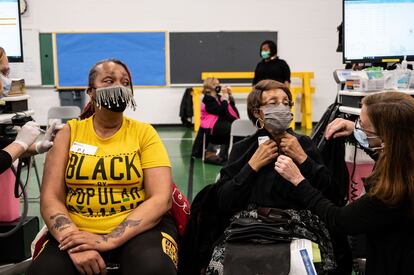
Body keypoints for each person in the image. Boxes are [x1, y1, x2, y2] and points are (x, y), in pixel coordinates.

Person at [27, 59, 178, 275]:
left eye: (125, 83)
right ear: (92, 92)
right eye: (109, 81)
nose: (119, 87)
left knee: (153, 268)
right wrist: (73, 242)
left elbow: (161, 198)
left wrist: (107, 240)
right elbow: (51, 198)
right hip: (76, 229)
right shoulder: (70, 133)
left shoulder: (144, 133)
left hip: (138, 232)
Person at [275, 91, 414, 275]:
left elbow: (339, 220)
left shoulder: (393, 192)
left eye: (362, 126)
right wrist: (357, 133)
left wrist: (298, 180)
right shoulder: (405, 152)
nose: (357, 127)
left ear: (385, 138)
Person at [217, 79, 334, 214]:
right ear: (257, 112)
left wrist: (303, 159)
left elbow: (330, 192)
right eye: (273, 103)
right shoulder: (242, 148)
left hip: (298, 225)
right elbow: (223, 200)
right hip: (251, 226)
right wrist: (251, 167)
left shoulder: (303, 144)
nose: (282, 108)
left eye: (286, 103)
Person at [200, 77, 239, 146]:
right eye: (215, 84)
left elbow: (231, 108)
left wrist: (229, 95)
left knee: (237, 128)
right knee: (233, 129)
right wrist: (224, 97)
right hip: (212, 126)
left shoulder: (218, 97)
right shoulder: (207, 99)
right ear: (209, 87)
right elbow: (221, 111)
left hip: (220, 122)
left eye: (218, 84)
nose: (218, 86)